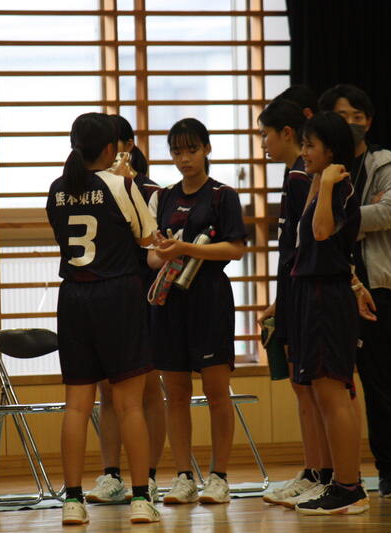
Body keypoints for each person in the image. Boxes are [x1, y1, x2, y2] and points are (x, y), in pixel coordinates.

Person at [46, 112, 160, 525]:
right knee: (129, 405)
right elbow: (147, 239)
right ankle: (142, 498)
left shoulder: (57, 188)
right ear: (112, 148)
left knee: (77, 406)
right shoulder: (122, 185)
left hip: (73, 297)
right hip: (117, 295)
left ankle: (72, 500)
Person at [147, 118, 247, 505]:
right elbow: (152, 257)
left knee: (216, 392)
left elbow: (235, 249)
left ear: (207, 149)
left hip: (209, 299)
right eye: (177, 152)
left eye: (191, 150)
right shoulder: (165, 197)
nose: (184, 158)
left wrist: (187, 249)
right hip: (169, 301)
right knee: (176, 394)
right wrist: (163, 253)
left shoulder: (223, 196)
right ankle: (183, 477)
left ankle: (219, 477)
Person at [319, 83, 391, 498]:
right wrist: (340, 216)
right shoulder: (319, 164)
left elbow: (389, 212)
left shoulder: (388, 162)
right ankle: (334, 475)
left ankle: (389, 473)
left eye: (359, 117)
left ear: (370, 122)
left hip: (376, 285)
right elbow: (310, 224)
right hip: (329, 287)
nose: (352, 124)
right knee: (330, 387)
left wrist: (337, 217)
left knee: (380, 383)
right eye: (343, 117)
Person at [289, 111, 368, 515]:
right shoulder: (321, 183)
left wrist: (324, 186)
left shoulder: (339, 186)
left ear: (331, 150)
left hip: (326, 297)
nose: (303, 152)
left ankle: (348, 487)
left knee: (333, 393)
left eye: (310, 145)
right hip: (312, 293)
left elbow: (322, 234)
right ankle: (341, 482)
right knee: (324, 394)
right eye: (303, 144)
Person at [86, 115, 165, 505]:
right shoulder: (88, 189)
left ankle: (147, 476)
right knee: (107, 389)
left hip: (143, 298)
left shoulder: (148, 190)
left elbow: (155, 244)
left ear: (126, 146)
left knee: (147, 389)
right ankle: (111, 474)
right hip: (106, 300)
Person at [256, 99, 328, 506]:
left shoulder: (303, 177)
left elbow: (302, 250)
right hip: (293, 294)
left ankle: (324, 473)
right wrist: (279, 301)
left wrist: (287, 300)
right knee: (303, 387)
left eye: (265, 134)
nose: (262, 143)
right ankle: (313, 469)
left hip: (307, 295)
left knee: (312, 387)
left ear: (286, 133)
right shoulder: (294, 175)